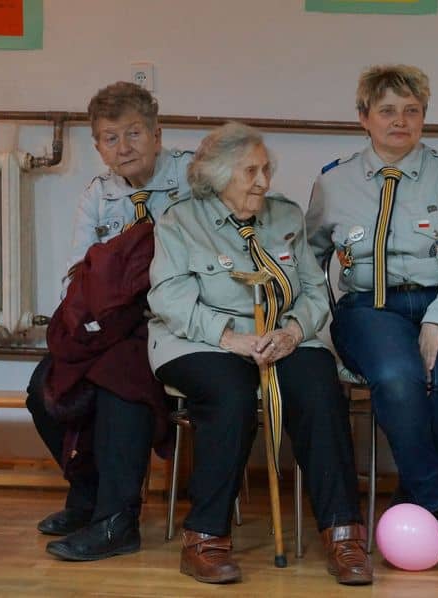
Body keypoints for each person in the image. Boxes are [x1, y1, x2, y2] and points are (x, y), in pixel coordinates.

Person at [148, 122, 372, 585]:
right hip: (199, 339)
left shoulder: (284, 217)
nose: (263, 182)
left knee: (320, 388)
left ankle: (343, 533)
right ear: (217, 174)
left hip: (278, 334)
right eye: (250, 171)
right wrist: (231, 338)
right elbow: (170, 299)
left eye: (266, 169)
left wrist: (292, 332)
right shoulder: (179, 221)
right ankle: (205, 538)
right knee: (230, 395)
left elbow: (314, 290)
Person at [305, 64, 438, 553]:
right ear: (363, 117)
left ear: (424, 116)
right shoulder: (334, 181)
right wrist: (305, 319)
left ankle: (412, 488)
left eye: (412, 110)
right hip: (371, 308)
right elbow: (308, 259)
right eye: (387, 110)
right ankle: (435, 500)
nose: (400, 121)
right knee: (397, 379)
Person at [25, 81, 193, 561]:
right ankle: (89, 495)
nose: (124, 147)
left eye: (134, 133)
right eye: (111, 138)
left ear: (157, 135)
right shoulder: (98, 194)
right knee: (44, 389)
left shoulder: (192, 178)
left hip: (172, 321)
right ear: (98, 146)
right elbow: (77, 272)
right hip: (111, 324)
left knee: (122, 382)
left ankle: (118, 522)